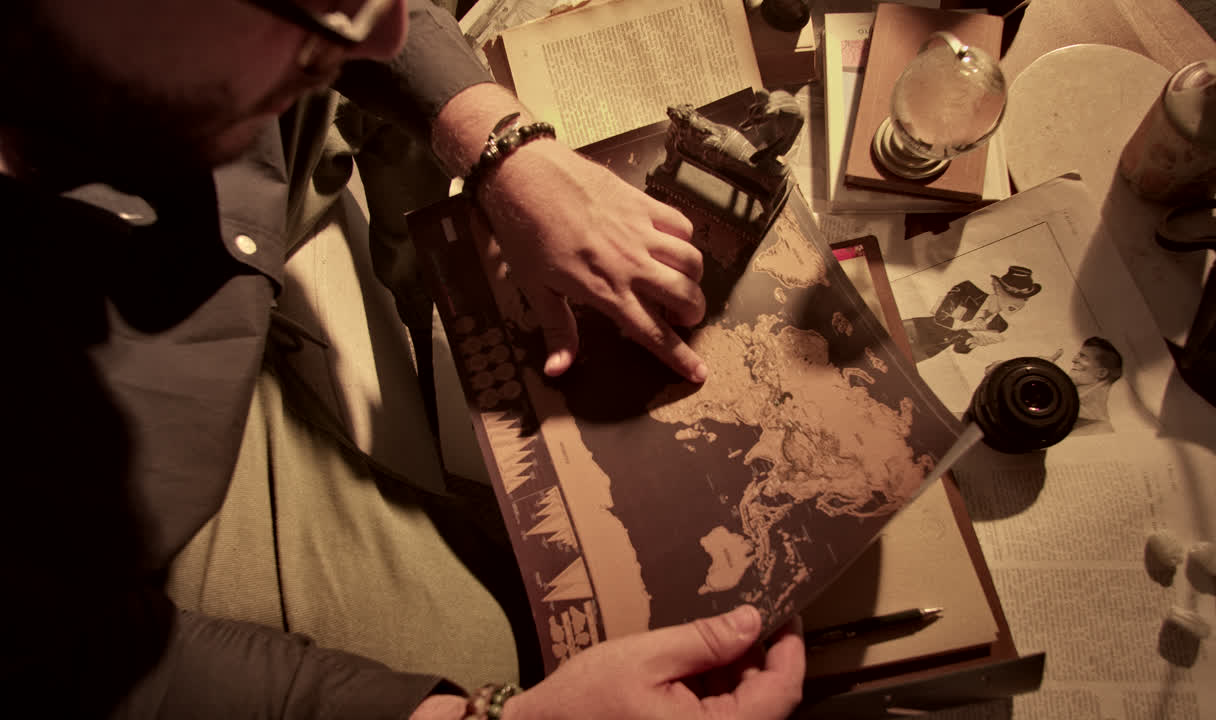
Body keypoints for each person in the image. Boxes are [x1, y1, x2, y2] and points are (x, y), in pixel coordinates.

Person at [0, 1, 804, 718]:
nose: (389, 23)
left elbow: (385, 26)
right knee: (480, 652)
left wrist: (504, 147)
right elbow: (72, 663)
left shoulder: (158, 51)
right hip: (88, 524)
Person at [904, 265, 1041, 362]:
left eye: (1025, 298)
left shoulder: (999, 325)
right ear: (998, 288)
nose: (1021, 302)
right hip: (915, 330)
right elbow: (941, 317)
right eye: (1015, 295)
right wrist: (967, 325)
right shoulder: (967, 290)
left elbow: (958, 349)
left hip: (928, 350)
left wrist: (972, 342)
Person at [1067, 336, 1123, 435]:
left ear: (1101, 373)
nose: (1074, 359)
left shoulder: (1099, 430)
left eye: (1083, 356)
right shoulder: (1071, 415)